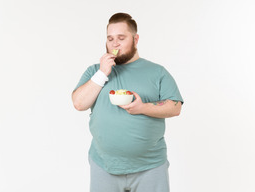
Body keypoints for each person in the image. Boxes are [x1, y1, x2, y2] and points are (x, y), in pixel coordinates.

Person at [72, 12, 184, 192]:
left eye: (121, 38)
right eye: (110, 39)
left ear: (135, 39)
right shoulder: (95, 71)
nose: (114, 43)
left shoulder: (157, 72)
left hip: (150, 167)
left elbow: (175, 107)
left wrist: (143, 107)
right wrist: (102, 73)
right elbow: (79, 103)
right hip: (104, 166)